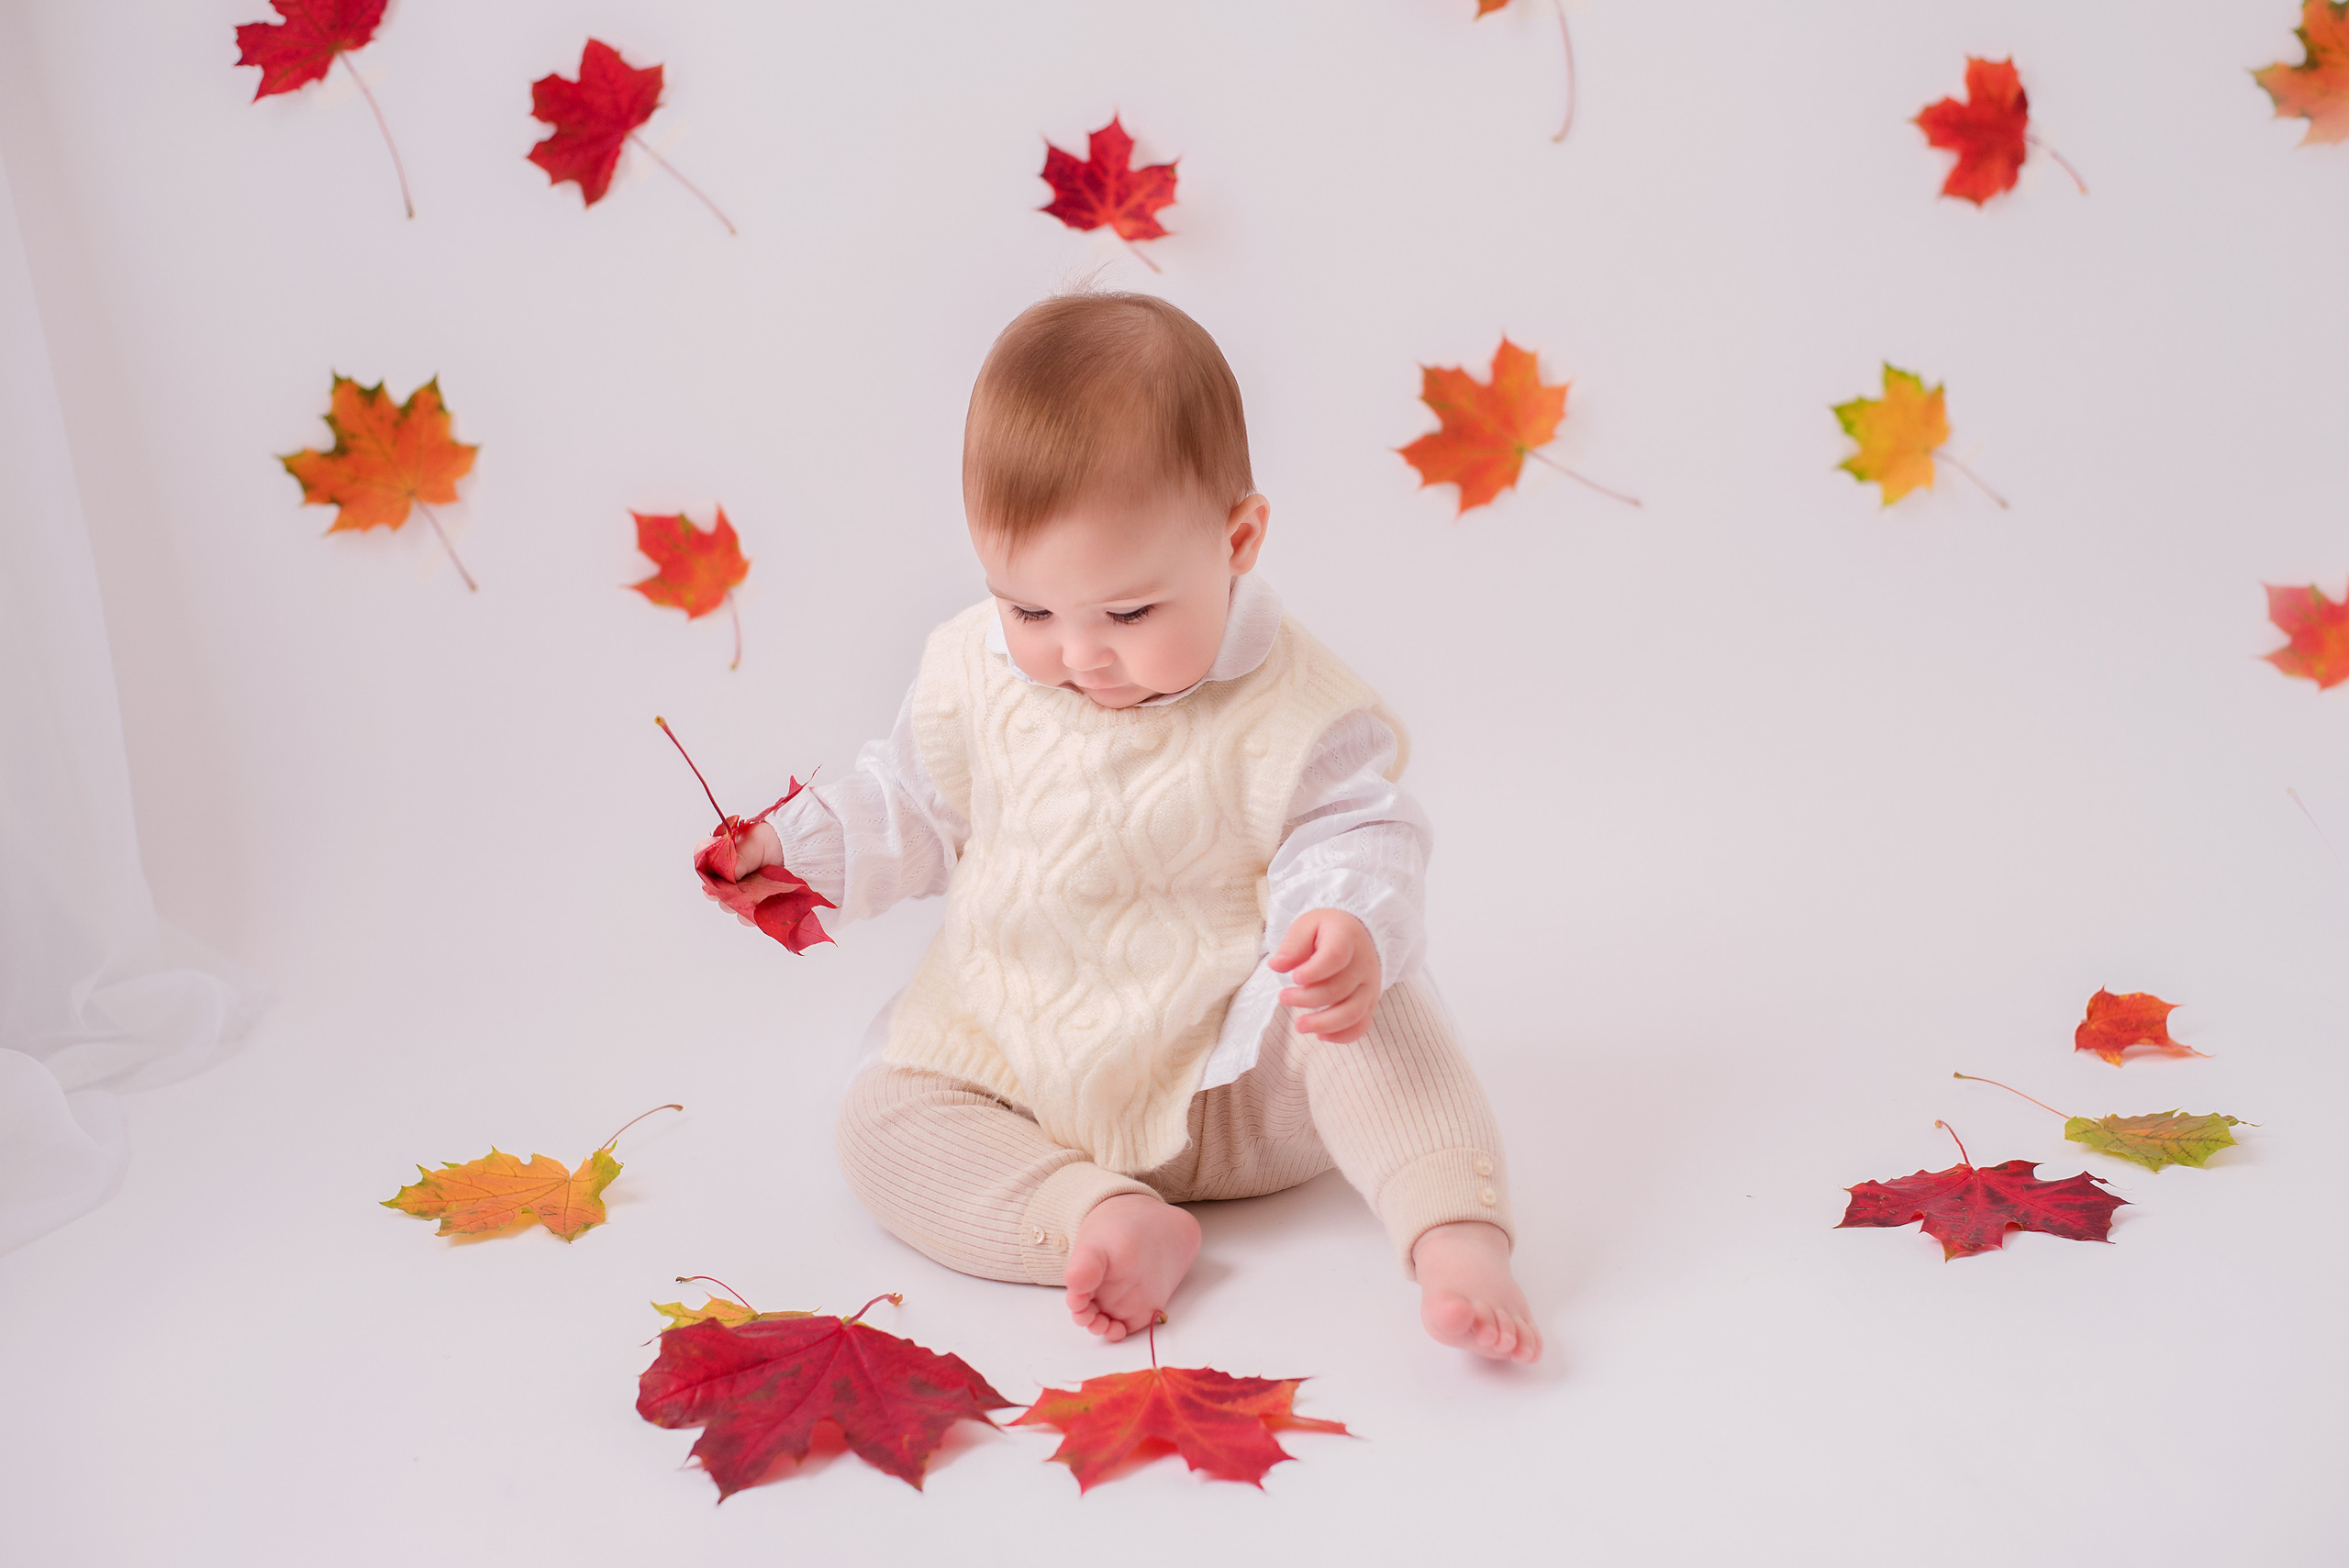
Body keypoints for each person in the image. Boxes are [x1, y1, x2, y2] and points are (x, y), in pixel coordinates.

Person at [704, 291, 1539, 1362]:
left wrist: (1346, 926)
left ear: (1236, 541)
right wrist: (793, 851)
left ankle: (1452, 1227)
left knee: (1372, 1005)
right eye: (1030, 608)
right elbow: (907, 803)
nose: (1079, 653)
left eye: (1130, 613)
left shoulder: (1294, 705)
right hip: (1018, 1066)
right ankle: (1094, 1213)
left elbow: (1357, 829)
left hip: (1232, 1083)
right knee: (878, 1125)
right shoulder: (971, 671)